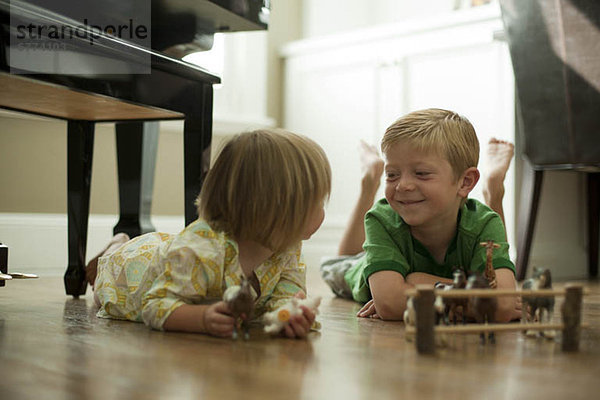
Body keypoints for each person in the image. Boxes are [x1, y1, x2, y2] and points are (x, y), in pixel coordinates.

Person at [88, 129, 331, 339]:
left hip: (170, 254)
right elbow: (154, 306)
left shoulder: (286, 248)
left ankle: (120, 243)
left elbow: (284, 298)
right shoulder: (200, 249)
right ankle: (115, 247)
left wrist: (291, 315)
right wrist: (201, 318)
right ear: (277, 208)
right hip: (130, 273)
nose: (323, 210)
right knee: (102, 295)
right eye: (318, 201)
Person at [321, 108, 521, 322]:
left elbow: (503, 304)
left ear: (465, 182)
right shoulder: (381, 219)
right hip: (356, 269)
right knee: (339, 263)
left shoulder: (485, 222)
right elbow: (389, 304)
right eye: (392, 175)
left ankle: (493, 192)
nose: (403, 185)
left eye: (421, 174)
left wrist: (420, 282)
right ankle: (370, 180)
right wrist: (473, 297)